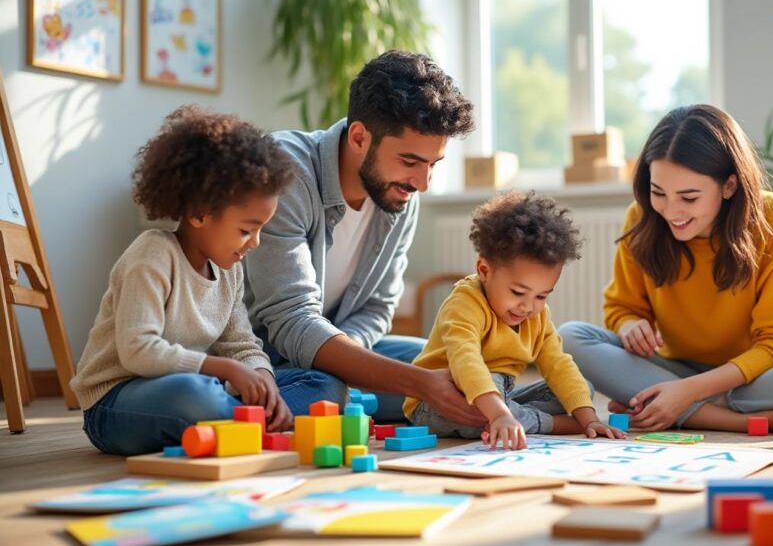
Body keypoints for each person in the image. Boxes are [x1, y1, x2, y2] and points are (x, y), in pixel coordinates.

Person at [559, 104, 773, 433]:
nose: (671, 211)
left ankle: (674, 405)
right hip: (670, 369)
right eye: (658, 192)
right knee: (569, 338)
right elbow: (622, 307)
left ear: (729, 186)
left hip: (751, 377)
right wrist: (630, 324)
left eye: (689, 198)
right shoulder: (643, 217)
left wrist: (689, 391)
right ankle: (728, 418)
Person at [72, 106, 344, 456]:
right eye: (247, 230)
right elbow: (138, 351)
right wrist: (226, 369)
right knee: (194, 396)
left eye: (261, 229)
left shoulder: (229, 268)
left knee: (326, 383)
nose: (256, 242)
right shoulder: (152, 254)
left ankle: (247, 422)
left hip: (198, 389)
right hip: (117, 402)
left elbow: (241, 344)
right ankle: (260, 423)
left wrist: (263, 378)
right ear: (200, 212)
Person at [243, 50, 483, 425]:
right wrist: (416, 385)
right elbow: (291, 321)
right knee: (327, 391)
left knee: (459, 366)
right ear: (359, 137)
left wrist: (350, 359)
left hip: (332, 354)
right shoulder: (283, 172)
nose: (422, 183)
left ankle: (340, 398)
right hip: (262, 357)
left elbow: (377, 307)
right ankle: (237, 406)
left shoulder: (402, 195)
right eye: (409, 161)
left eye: (433, 164)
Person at [404, 191, 625, 450]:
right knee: (491, 394)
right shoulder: (464, 301)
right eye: (518, 292)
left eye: (542, 295)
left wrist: (589, 419)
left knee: (581, 389)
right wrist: (499, 414)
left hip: (500, 395)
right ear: (484, 271)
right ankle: (546, 423)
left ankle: (513, 416)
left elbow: (558, 364)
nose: (529, 306)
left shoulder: (537, 315)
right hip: (441, 401)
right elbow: (466, 361)